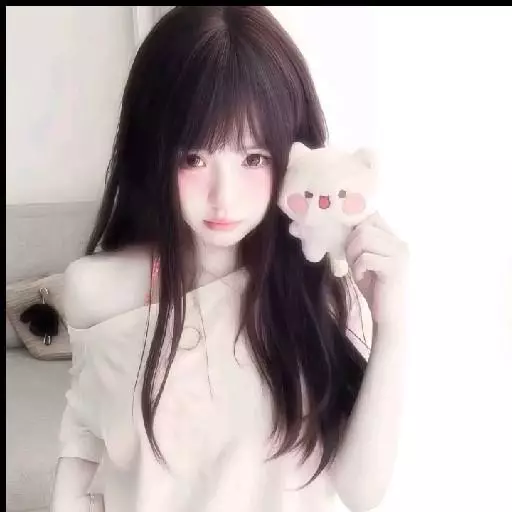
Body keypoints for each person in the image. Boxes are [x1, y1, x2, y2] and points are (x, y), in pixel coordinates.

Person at [51, 6, 408, 512]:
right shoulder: (99, 291)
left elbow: (361, 492)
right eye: (194, 158)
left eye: (253, 158)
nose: (225, 197)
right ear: (154, 152)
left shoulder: (321, 292)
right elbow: (83, 445)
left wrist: (393, 327)